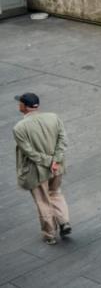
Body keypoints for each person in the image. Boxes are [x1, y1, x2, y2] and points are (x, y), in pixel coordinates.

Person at [13, 93, 71, 245]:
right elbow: (63, 139)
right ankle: (64, 221)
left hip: (36, 171)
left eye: (19, 103)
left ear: (24, 106)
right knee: (56, 193)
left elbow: (29, 152)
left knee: (43, 200)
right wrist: (55, 160)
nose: (18, 105)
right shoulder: (53, 117)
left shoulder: (20, 128)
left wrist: (48, 161)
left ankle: (49, 235)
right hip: (56, 168)